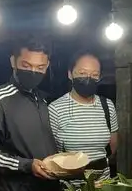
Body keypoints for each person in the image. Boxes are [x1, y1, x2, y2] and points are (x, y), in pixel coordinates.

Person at [0, 33, 59, 191]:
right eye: (26, 65)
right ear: (13, 62)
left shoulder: (42, 99)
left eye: (40, 67)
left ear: (47, 66)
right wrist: (26, 165)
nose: (33, 71)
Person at [48, 51, 118, 180]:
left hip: (104, 184)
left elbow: (112, 147)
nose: (88, 78)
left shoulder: (107, 106)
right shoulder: (55, 109)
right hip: (70, 188)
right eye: (82, 73)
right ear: (70, 74)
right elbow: (53, 155)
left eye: (94, 75)